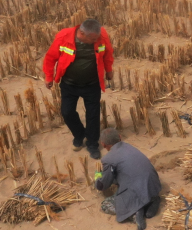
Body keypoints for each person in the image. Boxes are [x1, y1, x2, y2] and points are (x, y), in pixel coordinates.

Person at [43, 18, 114, 159]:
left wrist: (109, 70)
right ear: (82, 33)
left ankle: (92, 144)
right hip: (69, 84)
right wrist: (49, 76)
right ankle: (79, 135)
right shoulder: (64, 37)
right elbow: (50, 58)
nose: (96, 40)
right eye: (93, 39)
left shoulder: (101, 35)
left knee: (93, 115)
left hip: (92, 84)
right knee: (67, 112)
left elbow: (107, 54)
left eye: (97, 38)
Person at [95, 128, 162, 230]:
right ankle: (151, 201)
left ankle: (134, 213)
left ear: (103, 144)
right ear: (120, 137)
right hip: (154, 185)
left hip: (137, 190)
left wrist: (98, 175)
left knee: (105, 204)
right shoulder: (129, 147)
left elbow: (102, 186)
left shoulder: (108, 159)